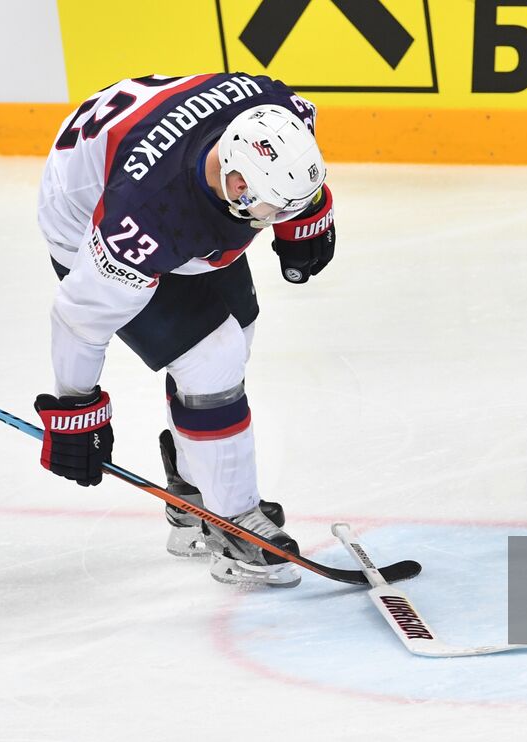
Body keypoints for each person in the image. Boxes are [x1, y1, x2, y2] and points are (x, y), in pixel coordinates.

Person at [32, 73, 338, 588]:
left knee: (240, 330)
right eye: (276, 208)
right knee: (212, 357)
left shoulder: (280, 110)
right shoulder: (145, 219)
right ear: (237, 184)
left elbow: (292, 166)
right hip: (87, 216)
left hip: (158, 167)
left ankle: (192, 495)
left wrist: (306, 213)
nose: (281, 217)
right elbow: (79, 318)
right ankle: (233, 521)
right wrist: (74, 407)